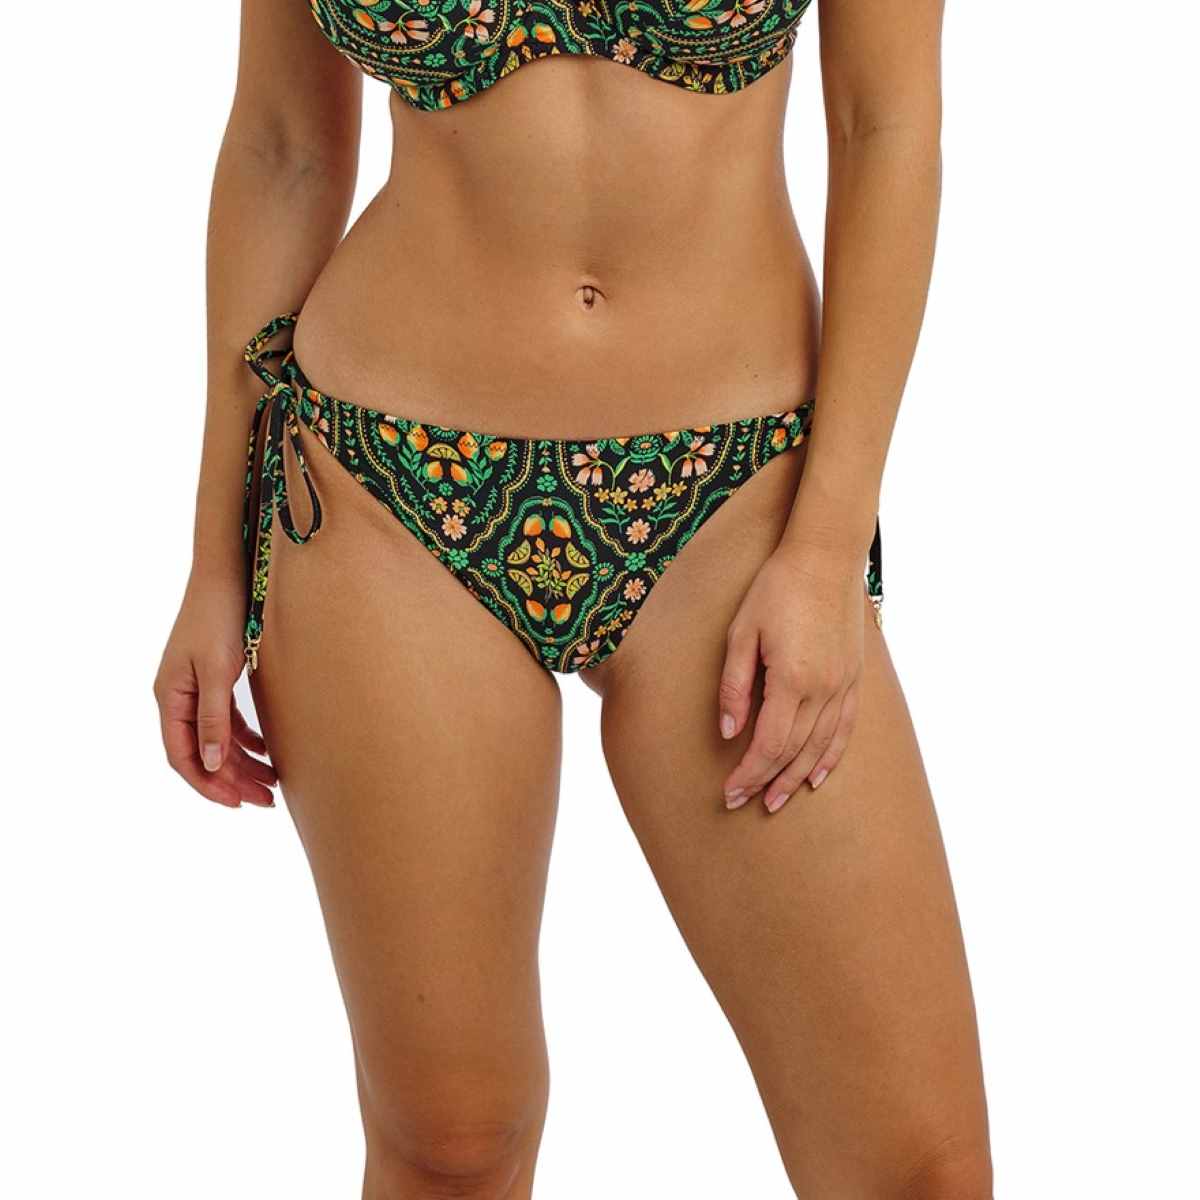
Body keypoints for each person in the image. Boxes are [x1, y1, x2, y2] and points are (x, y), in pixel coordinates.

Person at [154, 0, 991, 1194]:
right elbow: (282, 144)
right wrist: (213, 556)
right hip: (383, 489)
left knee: (917, 1172)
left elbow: (886, 124)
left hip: (738, 502)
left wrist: (826, 546)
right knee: (451, 1146)